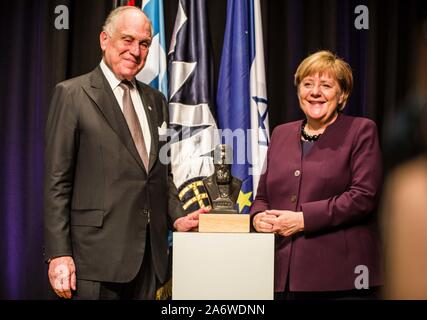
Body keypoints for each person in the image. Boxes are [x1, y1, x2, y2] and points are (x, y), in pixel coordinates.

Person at [44, 6, 203, 300]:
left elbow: (161, 177)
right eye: (127, 40)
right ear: (105, 40)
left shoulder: (156, 101)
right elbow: (57, 182)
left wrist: (177, 218)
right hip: (93, 261)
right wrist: (58, 253)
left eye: (144, 43)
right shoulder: (72, 94)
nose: (136, 50)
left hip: (149, 261)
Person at [250, 50, 383, 299]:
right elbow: (262, 197)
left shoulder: (361, 131)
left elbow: (363, 198)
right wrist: (258, 218)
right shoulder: (280, 134)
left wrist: (303, 220)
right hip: (281, 279)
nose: (315, 92)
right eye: (307, 84)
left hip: (341, 280)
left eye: (326, 86)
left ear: (342, 94)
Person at [203, 144, 242, 213]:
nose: (222, 164)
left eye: (225, 159)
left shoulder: (237, 183)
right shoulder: (207, 182)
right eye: (219, 159)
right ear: (213, 161)